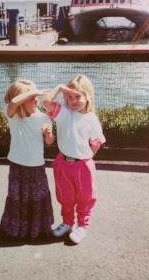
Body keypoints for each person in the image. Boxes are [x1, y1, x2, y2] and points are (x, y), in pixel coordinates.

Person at [43, 74, 106, 244]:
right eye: (69, 97)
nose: (73, 101)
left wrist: (85, 158)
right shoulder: (64, 113)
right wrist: (59, 88)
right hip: (62, 163)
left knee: (85, 197)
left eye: (78, 96)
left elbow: (96, 143)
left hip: (83, 165)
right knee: (65, 196)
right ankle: (67, 223)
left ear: (88, 96)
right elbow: (46, 103)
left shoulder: (92, 119)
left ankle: (82, 226)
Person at [0, 79, 54, 240]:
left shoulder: (43, 118)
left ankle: (38, 227)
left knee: (37, 197)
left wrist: (49, 135)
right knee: (19, 197)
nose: (36, 100)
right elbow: (13, 102)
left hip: (37, 166)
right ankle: (18, 228)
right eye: (32, 98)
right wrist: (32, 91)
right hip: (18, 165)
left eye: (36, 97)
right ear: (22, 99)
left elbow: (49, 142)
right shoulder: (13, 116)